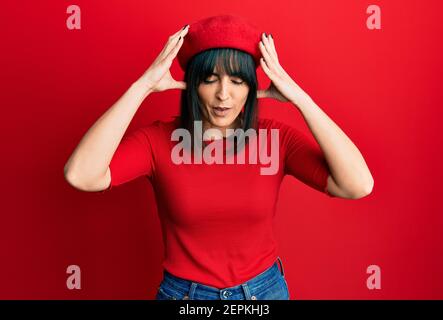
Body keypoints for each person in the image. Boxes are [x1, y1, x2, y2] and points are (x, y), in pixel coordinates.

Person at [63, 15, 374, 300]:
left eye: (237, 81)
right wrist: (142, 86)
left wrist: (299, 98)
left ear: (252, 87)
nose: (224, 94)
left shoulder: (275, 139)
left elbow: (357, 185)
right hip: (186, 298)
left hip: (263, 295)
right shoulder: (158, 141)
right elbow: (82, 175)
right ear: (192, 85)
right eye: (210, 79)